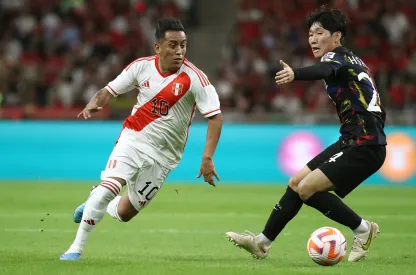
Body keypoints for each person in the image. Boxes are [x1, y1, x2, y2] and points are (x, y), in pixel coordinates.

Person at [226, 7, 386, 262]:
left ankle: (363, 230)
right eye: (310, 33)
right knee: (296, 182)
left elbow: (325, 71)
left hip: (365, 143)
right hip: (352, 138)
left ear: (337, 37)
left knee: (307, 189)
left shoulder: (336, 60)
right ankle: (262, 242)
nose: (312, 39)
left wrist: (295, 74)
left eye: (319, 33)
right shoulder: (352, 60)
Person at [60, 17, 223, 260]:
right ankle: (75, 248)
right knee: (111, 186)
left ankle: (97, 199)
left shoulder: (196, 79)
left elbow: (215, 117)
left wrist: (207, 157)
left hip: (165, 156)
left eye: (183, 45)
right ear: (158, 47)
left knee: (125, 212)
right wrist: (95, 103)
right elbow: (109, 90)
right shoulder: (141, 67)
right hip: (134, 138)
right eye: (173, 45)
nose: (179, 51)